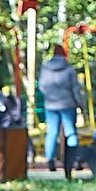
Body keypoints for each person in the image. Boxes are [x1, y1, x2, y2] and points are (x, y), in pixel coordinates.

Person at [37, 43, 86, 171]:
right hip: (68, 104)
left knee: (52, 132)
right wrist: (81, 104)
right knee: (71, 132)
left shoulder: (45, 69)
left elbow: (41, 86)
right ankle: (74, 159)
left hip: (51, 105)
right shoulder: (69, 69)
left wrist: (50, 95)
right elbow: (75, 89)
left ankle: (50, 160)